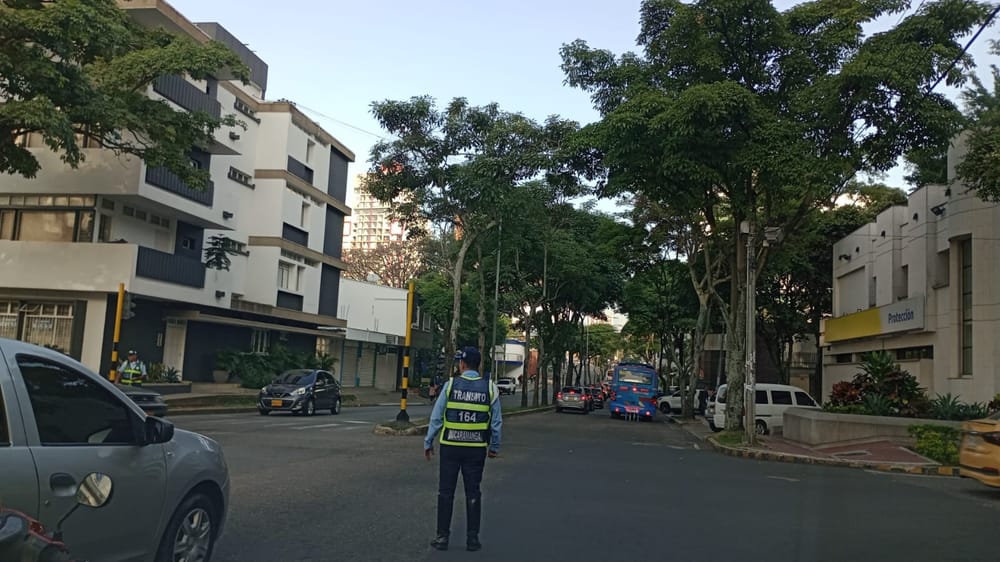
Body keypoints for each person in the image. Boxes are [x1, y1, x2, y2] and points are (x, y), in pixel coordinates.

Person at [424, 346, 502, 552]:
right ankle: (472, 539)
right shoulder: (490, 388)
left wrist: (428, 442)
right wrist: (494, 447)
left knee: (445, 492)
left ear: (463, 364)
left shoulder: (450, 386)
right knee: (473, 492)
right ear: (478, 366)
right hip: (476, 449)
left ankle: (442, 538)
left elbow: (437, 417)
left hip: (450, 447)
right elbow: (496, 423)